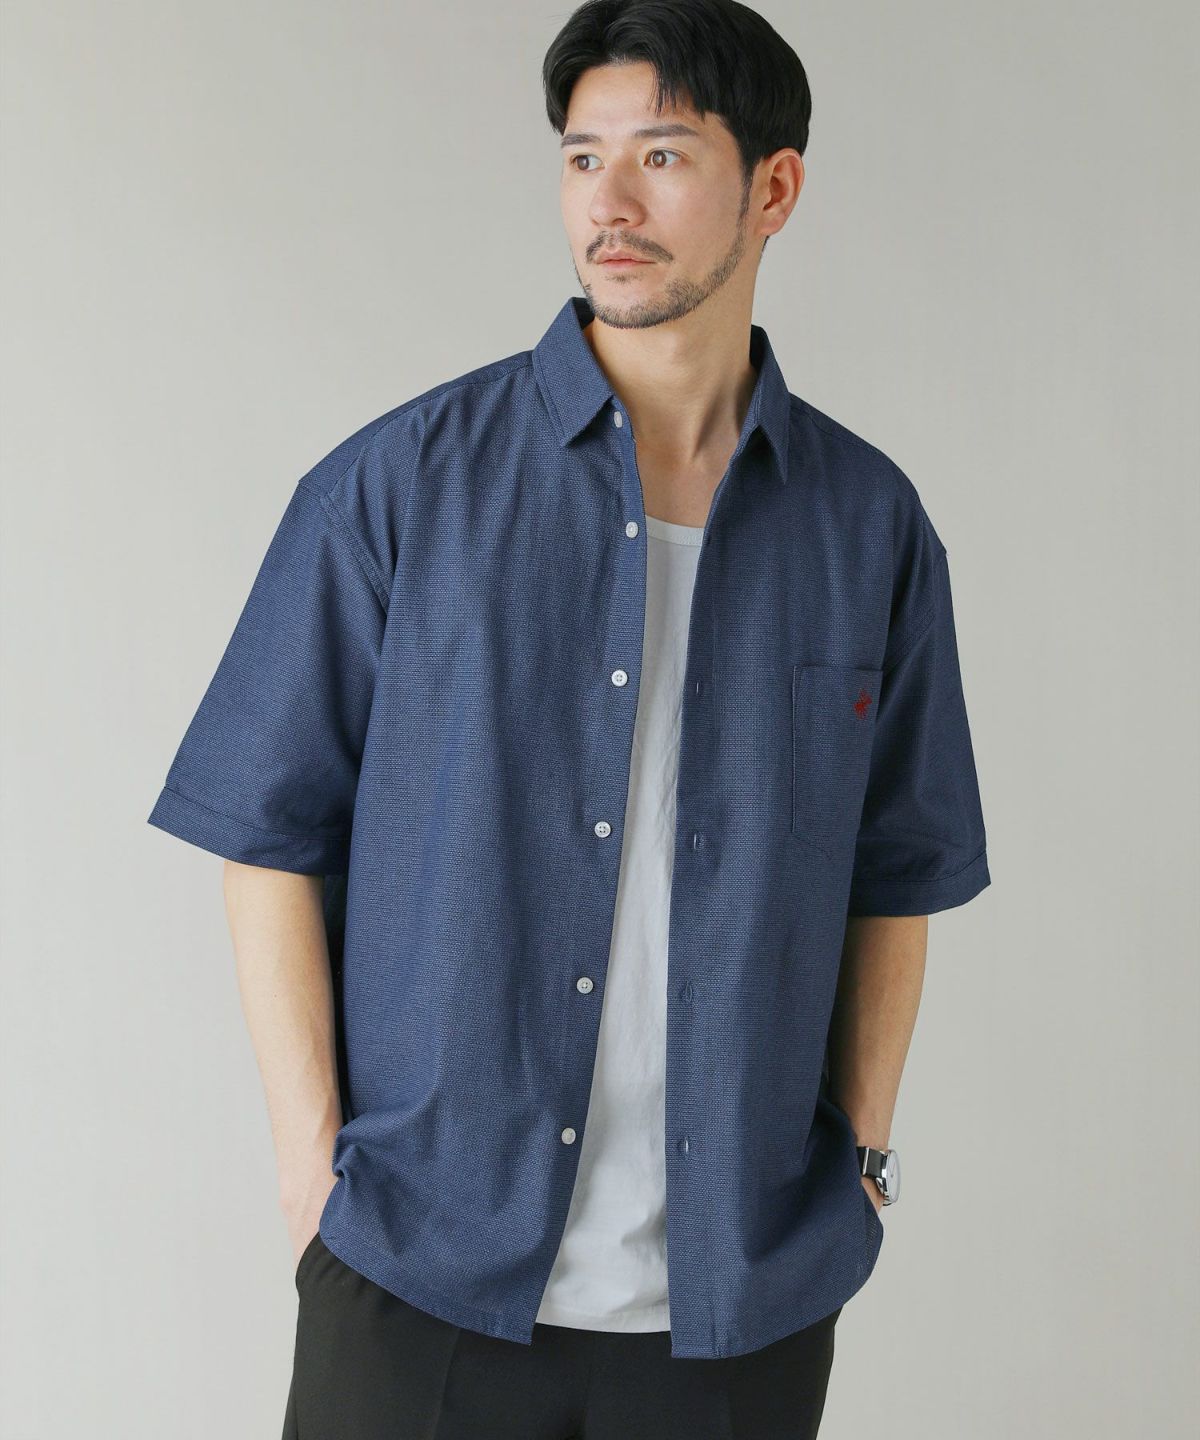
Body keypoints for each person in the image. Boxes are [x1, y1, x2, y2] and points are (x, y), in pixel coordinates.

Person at [147, 1, 991, 1435]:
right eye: (582, 157)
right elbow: (265, 833)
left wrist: (863, 1158)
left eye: (662, 155)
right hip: (422, 1276)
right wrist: (311, 1171)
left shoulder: (869, 527)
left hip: (738, 1307)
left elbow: (896, 874)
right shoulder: (402, 486)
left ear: (774, 188)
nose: (608, 202)